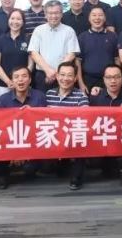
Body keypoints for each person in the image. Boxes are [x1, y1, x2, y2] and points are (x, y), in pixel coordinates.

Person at [88, 64, 122, 188]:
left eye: (116, 77)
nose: (113, 81)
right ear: (104, 80)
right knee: (108, 171)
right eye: (109, 77)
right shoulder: (96, 98)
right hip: (103, 138)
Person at [0, 66, 48, 189]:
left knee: (32, 168)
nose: (20, 80)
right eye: (16, 77)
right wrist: (16, 151)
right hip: (11, 140)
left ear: (30, 80)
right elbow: (2, 126)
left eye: (24, 76)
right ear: (12, 81)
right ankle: (3, 176)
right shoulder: (4, 99)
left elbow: (45, 123)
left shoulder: (40, 97)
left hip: (33, 140)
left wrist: (33, 113)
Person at [45, 62, 89, 190]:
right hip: (53, 137)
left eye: (70, 75)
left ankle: (76, 178)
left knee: (80, 139)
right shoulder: (48, 94)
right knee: (47, 167)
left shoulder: (81, 96)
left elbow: (85, 119)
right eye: (62, 75)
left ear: (75, 78)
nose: (65, 78)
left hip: (72, 137)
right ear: (57, 76)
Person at [28, 0, 80, 92]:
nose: (53, 16)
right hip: (43, 74)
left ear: (61, 14)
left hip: (64, 76)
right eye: (50, 13)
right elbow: (33, 52)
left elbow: (72, 53)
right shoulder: (38, 30)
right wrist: (48, 70)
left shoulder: (69, 31)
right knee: (42, 99)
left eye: (56, 13)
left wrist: (57, 72)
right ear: (45, 14)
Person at [76, 5, 119, 94]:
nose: (97, 18)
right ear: (89, 18)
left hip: (109, 80)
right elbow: (78, 61)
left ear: (105, 18)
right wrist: (81, 83)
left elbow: (117, 59)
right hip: (88, 80)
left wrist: (116, 78)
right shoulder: (82, 37)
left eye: (100, 15)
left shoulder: (113, 36)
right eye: (94, 15)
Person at [0, 9, 33, 98]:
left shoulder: (28, 39)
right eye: (12, 18)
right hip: (3, 84)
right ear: (8, 20)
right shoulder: (0, 40)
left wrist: (22, 80)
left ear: (23, 22)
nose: (15, 22)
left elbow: (30, 64)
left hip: (23, 84)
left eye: (18, 19)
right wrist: (8, 81)